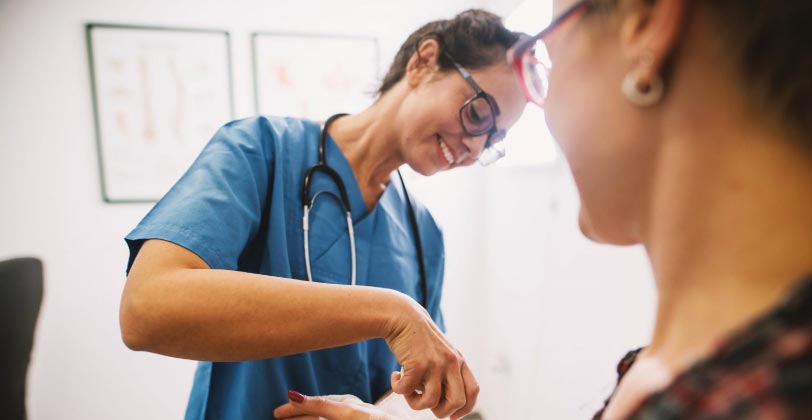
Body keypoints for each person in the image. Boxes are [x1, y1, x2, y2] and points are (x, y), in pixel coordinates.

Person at [274, 0, 812, 419]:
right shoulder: (686, 373)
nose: (548, 107)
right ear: (423, 62)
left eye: (553, 52)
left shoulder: (758, 394)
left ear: (646, 25)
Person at [119, 9, 527, 420]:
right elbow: (145, 310)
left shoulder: (423, 235)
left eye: (493, 140)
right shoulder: (262, 151)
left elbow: (407, 395)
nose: (475, 149)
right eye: (478, 114)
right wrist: (390, 312)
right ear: (423, 62)